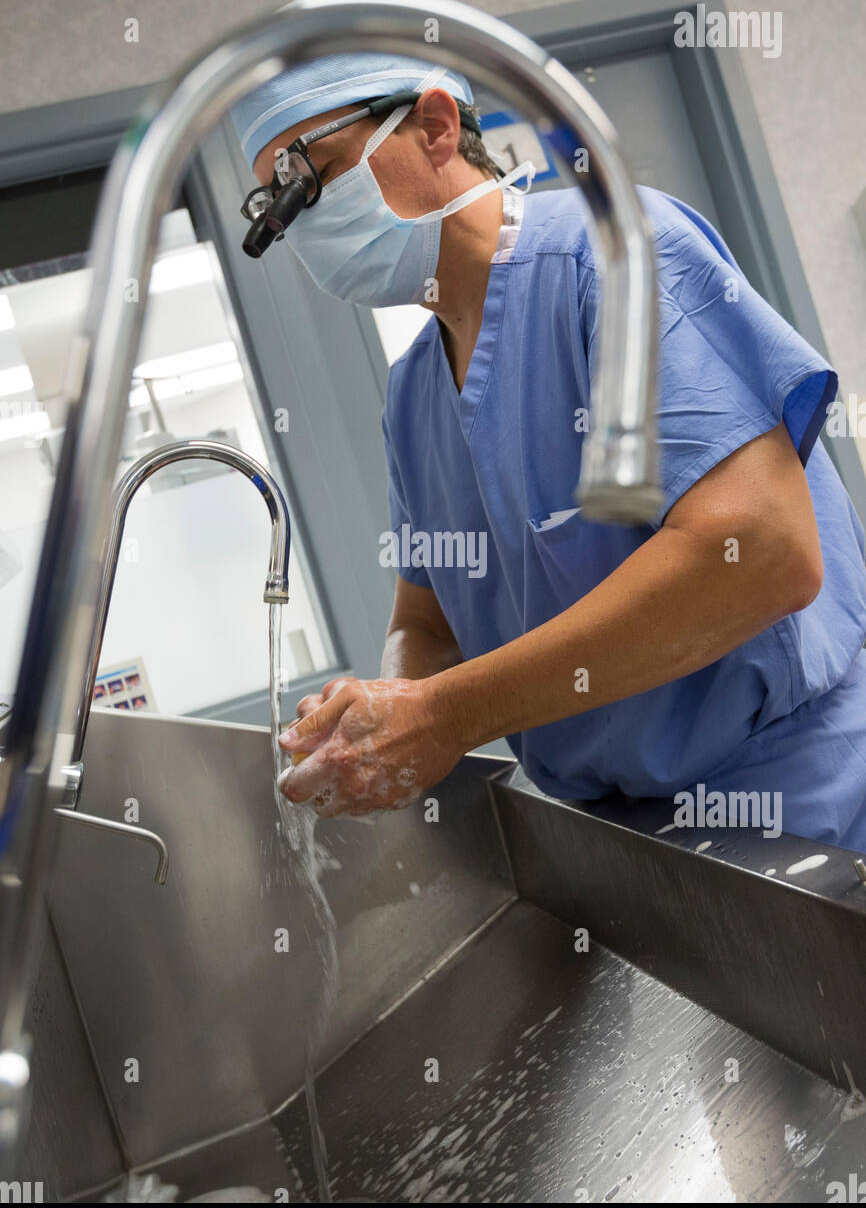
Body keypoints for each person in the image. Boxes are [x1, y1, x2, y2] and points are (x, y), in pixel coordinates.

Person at [231, 51, 866, 848]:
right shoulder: (414, 393)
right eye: (282, 204)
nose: (305, 223)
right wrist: (388, 711)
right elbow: (429, 621)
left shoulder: (615, 261)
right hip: (629, 836)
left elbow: (762, 552)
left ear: (434, 125)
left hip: (808, 808)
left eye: (310, 175)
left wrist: (447, 714)